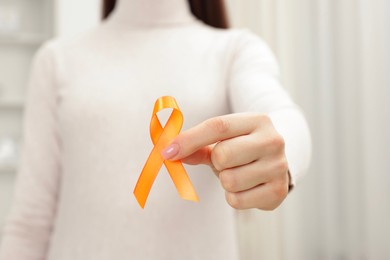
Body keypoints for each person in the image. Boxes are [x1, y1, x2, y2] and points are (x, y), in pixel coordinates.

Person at [0, 0, 311, 259]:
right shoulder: (56, 61)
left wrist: (281, 151)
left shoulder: (233, 51)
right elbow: (31, 223)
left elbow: (281, 113)